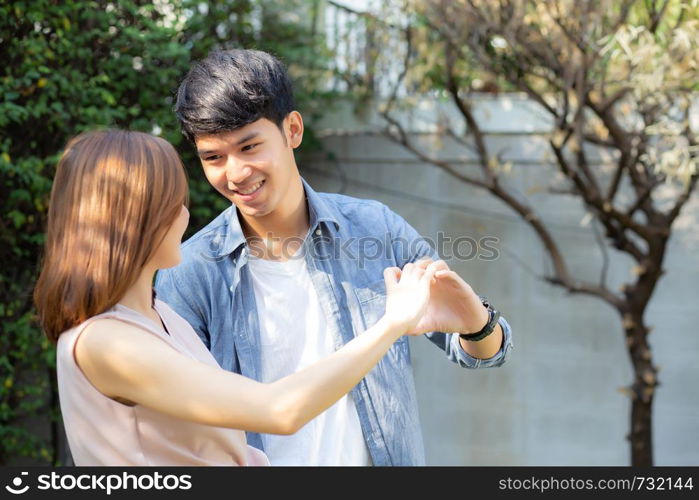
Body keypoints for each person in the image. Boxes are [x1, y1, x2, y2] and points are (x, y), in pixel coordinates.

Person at [155, 49, 514, 466]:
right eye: (213, 157)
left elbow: (490, 350)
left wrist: (476, 323)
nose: (234, 173)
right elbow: (179, 421)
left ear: (292, 130)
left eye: (250, 147)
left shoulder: (375, 230)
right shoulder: (190, 271)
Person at [33, 129, 442, 466]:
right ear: (134, 219)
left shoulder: (160, 317)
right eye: (172, 202)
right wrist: (393, 324)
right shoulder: (107, 343)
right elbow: (277, 411)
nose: (185, 215)